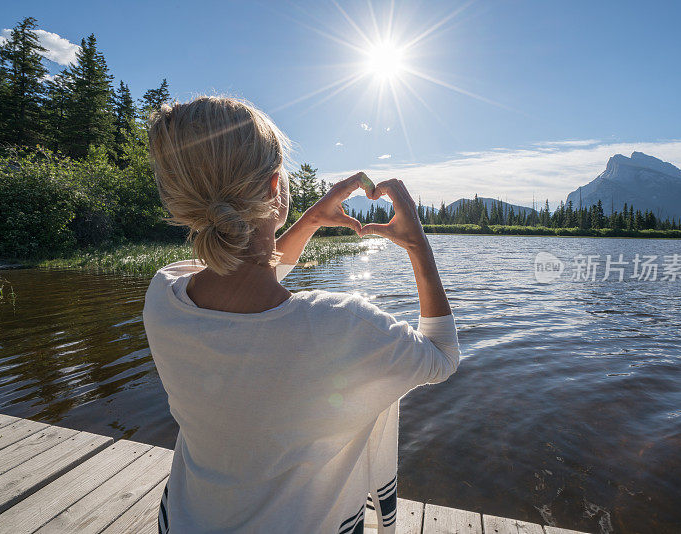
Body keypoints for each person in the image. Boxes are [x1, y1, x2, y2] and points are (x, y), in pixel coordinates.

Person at [142, 95, 460, 533]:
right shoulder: (344, 326)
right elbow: (443, 357)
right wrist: (417, 244)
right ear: (275, 188)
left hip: (185, 521)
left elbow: (240, 277)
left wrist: (309, 220)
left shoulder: (163, 296)